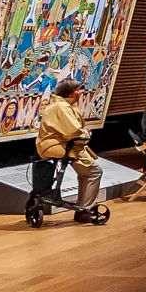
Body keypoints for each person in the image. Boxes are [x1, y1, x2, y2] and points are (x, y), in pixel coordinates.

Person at [36, 79, 103, 222]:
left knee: (86, 172)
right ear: (71, 93)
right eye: (78, 89)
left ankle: (83, 207)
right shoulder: (62, 107)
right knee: (94, 171)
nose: (81, 92)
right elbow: (74, 132)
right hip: (60, 146)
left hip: (55, 144)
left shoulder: (61, 105)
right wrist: (86, 134)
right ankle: (86, 209)